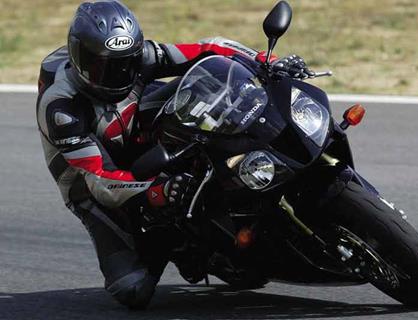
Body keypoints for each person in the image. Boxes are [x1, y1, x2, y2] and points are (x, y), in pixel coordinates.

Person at [36, 0, 312, 309]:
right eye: (104, 68)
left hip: (135, 124)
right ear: (79, 59)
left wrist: (264, 60)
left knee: (206, 87)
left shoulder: (139, 56)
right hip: (93, 183)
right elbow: (100, 181)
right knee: (132, 289)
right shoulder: (62, 109)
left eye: (126, 63)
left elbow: (209, 48)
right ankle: (181, 246)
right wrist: (158, 192)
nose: (119, 74)